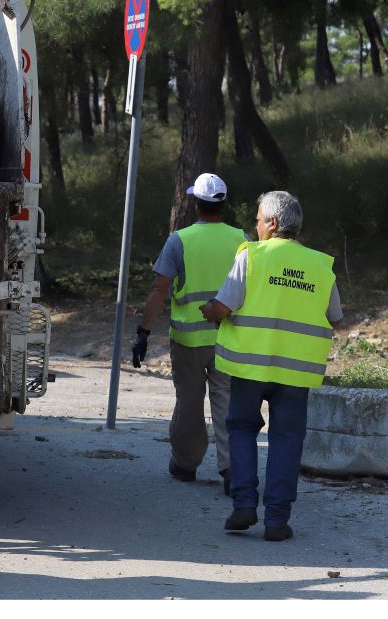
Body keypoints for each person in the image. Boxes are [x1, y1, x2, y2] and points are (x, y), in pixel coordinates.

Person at [200, 190, 343, 542]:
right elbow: (335, 318)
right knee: (287, 441)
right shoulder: (320, 265)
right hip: (295, 372)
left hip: (250, 367)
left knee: (242, 430)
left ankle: (244, 506)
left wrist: (209, 310)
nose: (255, 226)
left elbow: (223, 307)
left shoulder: (252, 256)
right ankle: (277, 521)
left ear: (273, 223)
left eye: (258, 220)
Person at [132, 173, 246, 494]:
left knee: (190, 402)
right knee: (226, 404)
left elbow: (159, 290)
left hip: (189, 341)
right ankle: (232, 469)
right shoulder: (242, 240)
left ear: (196, 204)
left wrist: (143, 332)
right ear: (223, 204)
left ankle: (185, 462)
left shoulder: (179, 240)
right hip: (229, 339)